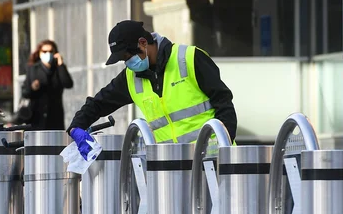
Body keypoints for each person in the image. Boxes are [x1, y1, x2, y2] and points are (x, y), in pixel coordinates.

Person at [67, 20, 237, 159]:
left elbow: (224, 103)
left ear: (143, 43)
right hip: (171, 170)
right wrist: (76, 127)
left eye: (128, 57)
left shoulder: (189, 59)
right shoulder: (131, 77)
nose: (128, 64)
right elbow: (98, 103)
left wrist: (225, 152)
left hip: (213, 160)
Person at [19, 40, 73, 130]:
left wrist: (60, 64)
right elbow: (25, 92)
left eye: (50, 51)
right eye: (44, 51)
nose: (47, 54)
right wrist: (33, 87)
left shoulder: (58, 69)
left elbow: (68, 83)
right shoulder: (33, 69)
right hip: (36, 116)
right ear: (39, 53)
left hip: (55, 116)